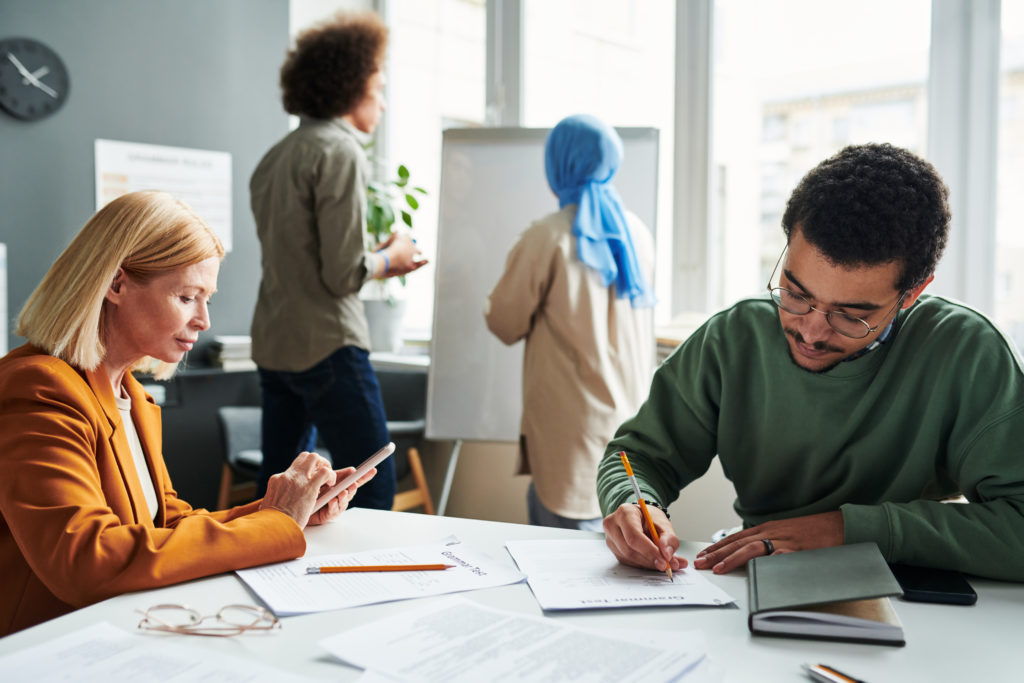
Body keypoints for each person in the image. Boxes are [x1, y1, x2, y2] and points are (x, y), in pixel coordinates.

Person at [598, 142, 1024, 582]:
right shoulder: (733, 338)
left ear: (911, 294)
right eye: (796, 293)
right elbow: (637, 457)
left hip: (913, 597)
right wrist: (634, 504)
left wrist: (848, 529)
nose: (811, 331)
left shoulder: (965, 351)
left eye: (851, 315)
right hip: (756, 588)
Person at [0, 191, 375, 636]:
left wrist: (282, 513)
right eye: (187, 297)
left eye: (207, 299)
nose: (203, 320)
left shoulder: (134, 397)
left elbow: (168, 524)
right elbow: (87, 557)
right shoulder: (39, 388)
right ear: (116, 285)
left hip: (118, 628)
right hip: (45, 647)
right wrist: (274, 525)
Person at [249, 11, 425, 508]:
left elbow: (304, 261)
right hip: (327, 344)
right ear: (350, 87)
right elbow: (342, 273)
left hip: (275, 343)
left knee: (280, 493)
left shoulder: (276, 156)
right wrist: (393, 258)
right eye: (378, 88)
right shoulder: (341, 152)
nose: (384, 103)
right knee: (373, 488)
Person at [485, 114, 656, 531]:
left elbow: (504, 323)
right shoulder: (636, 232)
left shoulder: (549, 235)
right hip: (630, 430)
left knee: (560, 573)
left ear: (557, 164)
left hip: (570, 438)